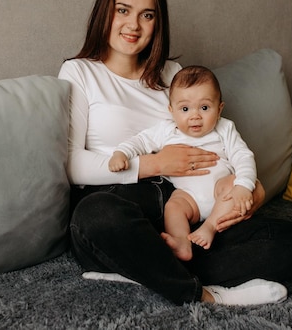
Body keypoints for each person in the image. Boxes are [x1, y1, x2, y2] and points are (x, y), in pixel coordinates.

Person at [58, 0, 292, 306]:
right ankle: (205, 295)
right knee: (94, 217)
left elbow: (220, 140)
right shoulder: (80, 72)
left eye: (147, 15)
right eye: (123, 10)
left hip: (191, 206)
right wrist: (154, 163)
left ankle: (147, 271)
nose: (133, 25)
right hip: (121, 205)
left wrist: (249, 189)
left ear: (157, 23)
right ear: (106, 12)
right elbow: (72, 164)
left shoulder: (172, 73)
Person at [108, 65, 256, 262]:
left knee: (232, 183)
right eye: (185, 109)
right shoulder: (166, 131)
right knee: (174, 206)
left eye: (204, 108)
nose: (195, 116)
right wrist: (121, 153)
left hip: (219, 192)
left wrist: (244, 186)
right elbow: (141, 141)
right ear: (171, 110)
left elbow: (243, 156)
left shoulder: (225, 129)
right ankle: (181, 242)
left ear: (219, 109)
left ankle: (210, 227)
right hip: (189, 198)